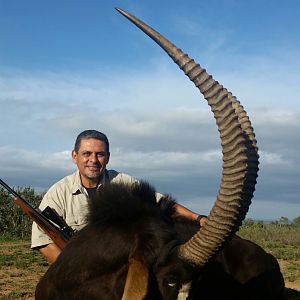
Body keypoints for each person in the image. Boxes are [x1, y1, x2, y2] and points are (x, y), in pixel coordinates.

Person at [31, 130, 207, 263]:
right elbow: (42, 240)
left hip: (120, 265)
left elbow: (160, 202)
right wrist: (73, 268)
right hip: (80, 267)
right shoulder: (58, 192)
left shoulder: (122, 182)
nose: (93, 160)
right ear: (74, 156)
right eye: (86, 154)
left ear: (107, 158)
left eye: (100, 154)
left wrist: (198, 218)